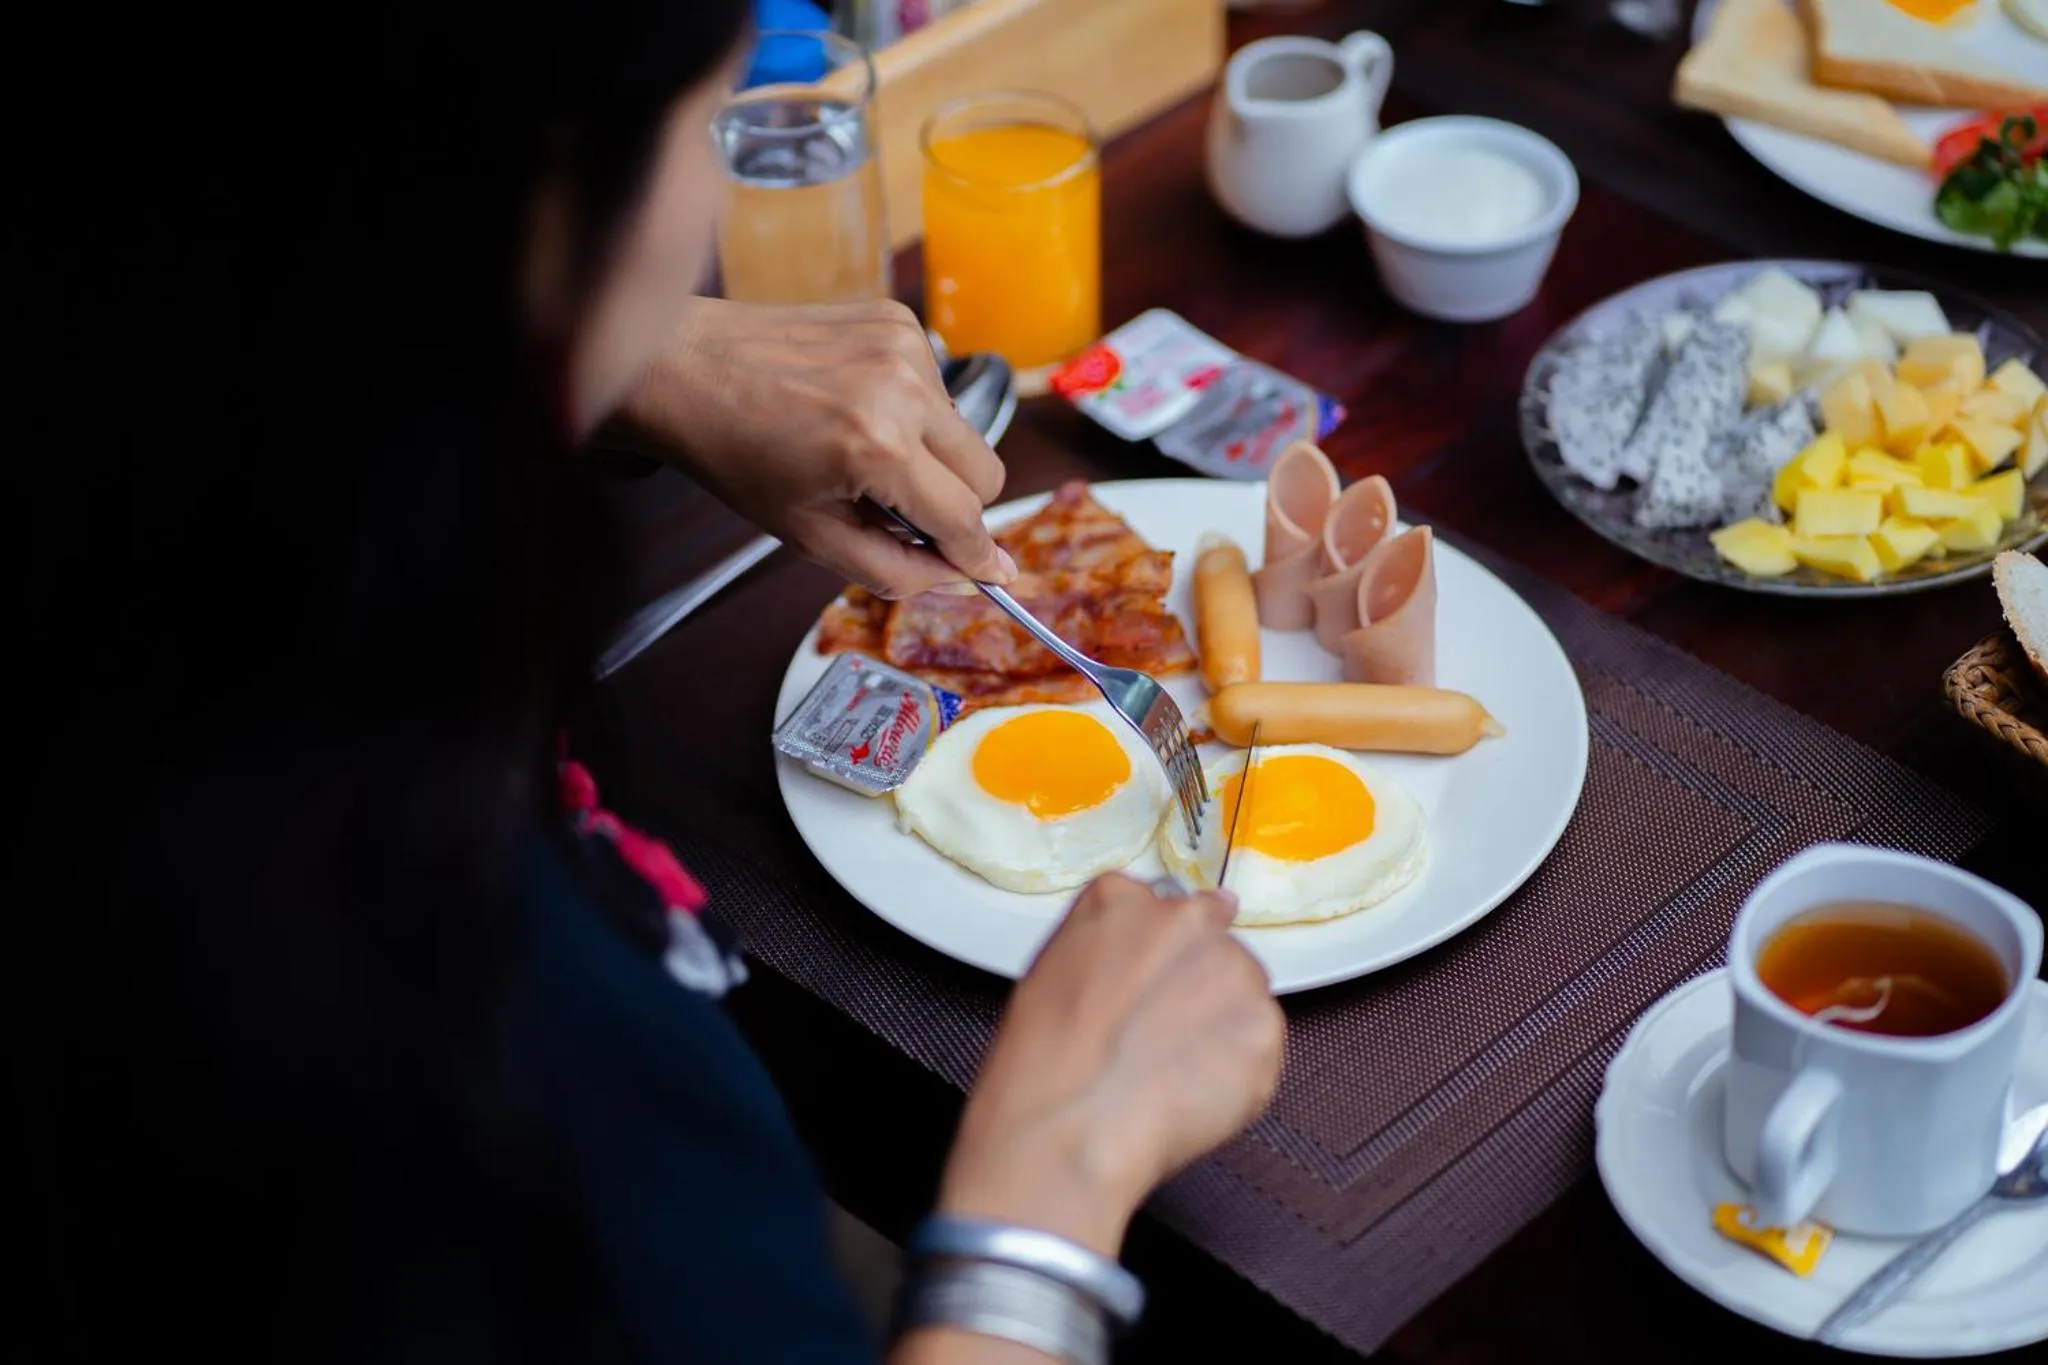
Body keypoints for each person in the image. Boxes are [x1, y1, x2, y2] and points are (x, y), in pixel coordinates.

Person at [23, 3, 1284, 1363]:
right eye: (722, 101)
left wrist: (630, 349)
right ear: (551, 179)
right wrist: (1045, 1191)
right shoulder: (493, 1040)